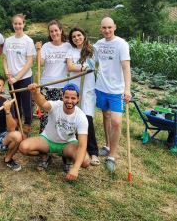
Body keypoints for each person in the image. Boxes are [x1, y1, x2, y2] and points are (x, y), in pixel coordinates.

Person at [19, 83, 90, 181]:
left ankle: (67, 157)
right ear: (62, 96)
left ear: (78, 99)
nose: (69, 101)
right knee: (23, 147)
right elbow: (43, 103)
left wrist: (75, 168)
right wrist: (35, 93)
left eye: (73, 98)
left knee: (85, 161)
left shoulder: (81, 117)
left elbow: (82, 145)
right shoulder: (56, 105)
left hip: (68, 144)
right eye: (67, 97)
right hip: (48, 140)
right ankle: (46, 154)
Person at [94, 17, 131, 173]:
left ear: (115, 27)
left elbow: (126, 67)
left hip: (116, 90)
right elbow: (90, 60)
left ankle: (112, 156)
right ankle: (107, 145)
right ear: (100, 29)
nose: (107, 30)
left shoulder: (121, 44)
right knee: (106, 116)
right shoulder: (98, 45)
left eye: (109, 27)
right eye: (104, 28)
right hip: (101, 87)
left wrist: (127, 89)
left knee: (116, 121)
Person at [36, 20, 71, 169]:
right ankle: (45, 155)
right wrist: (38, 50)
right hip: (46, 86)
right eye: (51, 31)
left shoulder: (68, 46)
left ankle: (66, 154)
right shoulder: (46, 46)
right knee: (45, 118)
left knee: (63, 119)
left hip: (62, 87)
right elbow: (40, 63)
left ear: (61, 30)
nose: (54, 33)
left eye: (56, 30)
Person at [66, 27, 99, 166]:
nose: (76, 38)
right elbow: (69, 67)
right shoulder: (71, 51)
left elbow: (100, 65)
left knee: (87, 118)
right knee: (73, 117)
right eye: (73, 37)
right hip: (75, 88)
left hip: (89, 88)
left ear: (84, 36)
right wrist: (83, 68)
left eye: (79, 35)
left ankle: (93, 152)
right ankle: (75, 148)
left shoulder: (93, 50)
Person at [3, 14, 36, 135]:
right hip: (11, 79)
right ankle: (17, 126)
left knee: (26, 103)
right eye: (15, 23)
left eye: (20, 23)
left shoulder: (28, 41)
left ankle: (27, 127)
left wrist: (17, 77)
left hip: (25, 78)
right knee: (15, 102)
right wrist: (7, 72)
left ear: (24, 24)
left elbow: (29, 62)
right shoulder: (8, 40)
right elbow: (5, 59)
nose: (17, 26)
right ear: (12, 25)